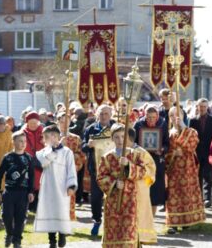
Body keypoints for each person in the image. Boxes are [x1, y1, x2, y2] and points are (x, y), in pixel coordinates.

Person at [97, 124, 146, 248]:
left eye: (123, 137)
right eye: (116, 137)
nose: (120, 140)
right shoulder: (106, 157)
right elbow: (101, 177)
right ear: (112, 139)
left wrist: (129, 165)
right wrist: (113, 183)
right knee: (113, 228)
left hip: (131, 199)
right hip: (113, 200)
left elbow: (143, 172)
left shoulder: (135, 155)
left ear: (127, 138)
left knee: (129, 229)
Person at [34, 125, 77, 248]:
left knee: (61, 212)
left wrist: (71, 186)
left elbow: (71, 170)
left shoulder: (67, 152)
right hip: (48, 187)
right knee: (50, 212)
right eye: (46, 137)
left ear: (57, 137)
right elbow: (42, 163)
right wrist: (51, 151)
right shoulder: (42, 152)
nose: (48, 139)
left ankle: (62, 234)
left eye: (50, 136)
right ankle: (51, 240)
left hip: (62, 187)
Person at [165, 107, 205, 234]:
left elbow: (194, 142)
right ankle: (173, 224)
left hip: (188, 168)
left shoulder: (191, 131)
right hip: (173, 169)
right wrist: (173, 153)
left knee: (187, 193)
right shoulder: (169, 133)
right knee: (173, 195)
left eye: (178, 115)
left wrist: (183, 128)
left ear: (183, 116)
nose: (175, 117)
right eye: (172, 115)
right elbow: (166, 150)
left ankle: (187, 221)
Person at [0, 131, 35, 248]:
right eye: (20, 141)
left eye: (25, 141)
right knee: (6, 215)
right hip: (9, 192)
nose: (23, 144)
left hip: (23, 193)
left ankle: (17, 241)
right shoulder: (8, 158)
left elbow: (32, 176)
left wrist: (31, 192)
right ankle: (9, 234)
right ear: (14, 142)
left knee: (20, 218)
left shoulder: (28, 158)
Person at [82, 104, 116, 236]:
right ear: (97, 115)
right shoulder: (90, 129)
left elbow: (126, 144)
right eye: (101, 114)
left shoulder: (117, 128)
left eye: (106, 113)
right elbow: (82, 146)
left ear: (111, 114)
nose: (103, 116)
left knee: (113, 197)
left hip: (114, 170)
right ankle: (96, 220)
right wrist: (88, 145)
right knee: (95, 198)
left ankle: (113, 223)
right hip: (96, 169)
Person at [134, 105, 169, 216]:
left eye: (154, 117)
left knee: (154, 190)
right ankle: (141, 216)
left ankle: (152, 218)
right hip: (142, 162)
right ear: (145, 115)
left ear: (157, 116)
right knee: (143, 187)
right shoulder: (138, 125)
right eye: (149, 117)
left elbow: (167, 143)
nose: (151, 120)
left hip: (156, 161)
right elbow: (133, 143)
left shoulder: (162, 124)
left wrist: (162, 149)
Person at [126, 128, 157, 245]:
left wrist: (132, 172)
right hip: (124, 191)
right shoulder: (118, 151)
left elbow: (151, 171)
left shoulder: (141, 152)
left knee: (139, 217)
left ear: (128, 138)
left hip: (139, 190)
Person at [188, 98, 212, 208]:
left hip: (209, 152)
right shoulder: (192, 120)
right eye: (200, 106)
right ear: (197, 107)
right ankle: (198, 198)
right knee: (197, 175)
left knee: (208, 176)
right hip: (196, 152)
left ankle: (207, 199)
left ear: (207, 107)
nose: (202, 108)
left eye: (204, 106)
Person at [56, 112, 86, 217]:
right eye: (62, 122)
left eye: (67, 122)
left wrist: (72, 158)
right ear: (58, 122)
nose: (64, 125)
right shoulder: (51, 136)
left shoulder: (76, 139)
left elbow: (81, 156)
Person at [22, 111, 45, 212]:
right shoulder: (22, 132)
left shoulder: (44, 132)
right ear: (27, 123)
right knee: (28, 183)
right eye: (31, 123)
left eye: (35, 123)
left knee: (39, 184)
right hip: (27, 162)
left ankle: (37, 206)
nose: (33, 125)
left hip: (40, 163)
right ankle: (29, 205)